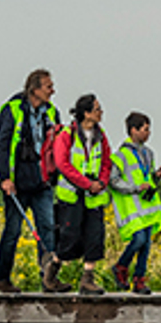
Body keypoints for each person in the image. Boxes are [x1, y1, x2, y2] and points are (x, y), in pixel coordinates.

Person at [0, 70, 64, 293]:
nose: (53, 91)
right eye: (48, 87)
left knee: (48, 230)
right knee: (12, 232)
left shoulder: (52, 112)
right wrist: (4, 178)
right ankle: (2, 279)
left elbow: (59, 146)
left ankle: (49, 279)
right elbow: (0, 146)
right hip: (17, 183)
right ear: (35, 89)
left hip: (42, 182)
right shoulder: (11, 110)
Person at [52, 94, 114, 296]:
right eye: (97, 109)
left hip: (94, 195)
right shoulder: (66, 135)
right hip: (72, 195)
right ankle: (52, 272)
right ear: (86, 113)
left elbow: (106, 161)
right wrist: (87, 183)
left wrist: (102, 182)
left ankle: (88, 280)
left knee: (94, 235)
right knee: (69, 237)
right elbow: (63, 164)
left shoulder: (101, 136)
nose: (101, 112)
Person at [107, 111, 161, 294]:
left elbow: (145, 177)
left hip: (147, 207)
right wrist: (135, 187)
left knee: (146, 244)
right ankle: (121, 267)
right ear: (133, 130)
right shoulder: (120, 155)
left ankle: (139, 280)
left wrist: (155, 178)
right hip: (132, 207)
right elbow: (114, 180)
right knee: (139, 240)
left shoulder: (149, 154)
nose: (148, 133)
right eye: (145, 129)